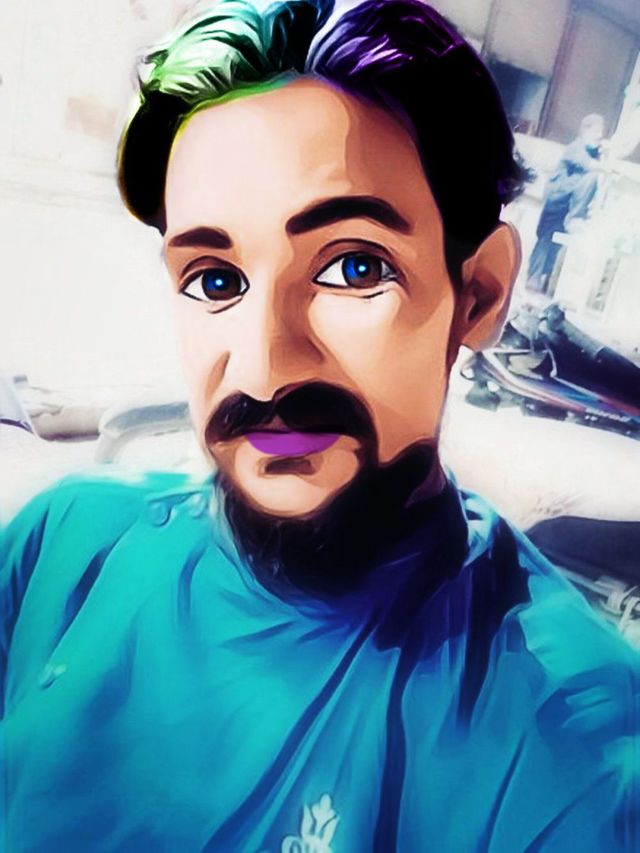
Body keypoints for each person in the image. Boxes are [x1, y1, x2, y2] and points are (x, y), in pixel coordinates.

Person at [1, 2, 638, 850]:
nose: (264, 368)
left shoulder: (574, 762)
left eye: (354, 267)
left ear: (478, 292)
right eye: (215, 279)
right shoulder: (63, 546)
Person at [526, 113, 605, 294]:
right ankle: (533, 278)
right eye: (597, 131)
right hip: (557, 200)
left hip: (568, 204)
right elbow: (590, 166)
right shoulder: (576, 148)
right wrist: (608, 164)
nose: (600, 136)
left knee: (557, 245)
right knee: (545, 240)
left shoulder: (594, 152)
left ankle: (544, 280)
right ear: (585, 130)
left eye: (601, 132)